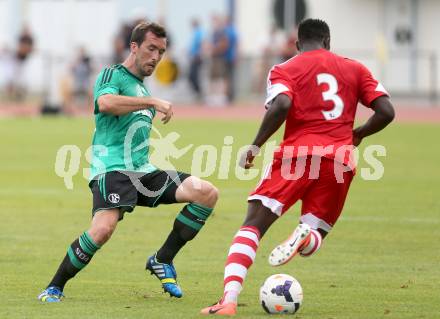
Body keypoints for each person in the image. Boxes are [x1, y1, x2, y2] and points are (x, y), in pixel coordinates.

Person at [201, 18, 395, 316]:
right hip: (339, 162)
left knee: (253, 224)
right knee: (316, 233)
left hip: (297, 157)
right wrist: (358, 134)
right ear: (328, 42)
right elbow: (386, 111)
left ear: (297, 44)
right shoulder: (355, 68)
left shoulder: (285, 68)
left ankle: (228, 300)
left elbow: (280, 105)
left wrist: (255, 145)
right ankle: (306, 234)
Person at [38, 22, 218, 302]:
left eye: (161, 51)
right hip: (112, 169)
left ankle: (162, 259)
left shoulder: (142, 90)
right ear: (134, 47)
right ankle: (54, 287)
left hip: (143, 171)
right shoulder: (114, 74)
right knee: (102, 230)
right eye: (151, 49)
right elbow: (105, 103)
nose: (156, 57)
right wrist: (152, 103)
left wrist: (149, 101)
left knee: (206, 193)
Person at [188, 18, 204, 100]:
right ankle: (197, 93)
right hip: (193, 57)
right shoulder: (195, 33)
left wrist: (199, 54)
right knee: (192, 76)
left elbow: (202, 44)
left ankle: (199, 93)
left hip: (197, 57)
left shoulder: (199, 32)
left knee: (194, 76)